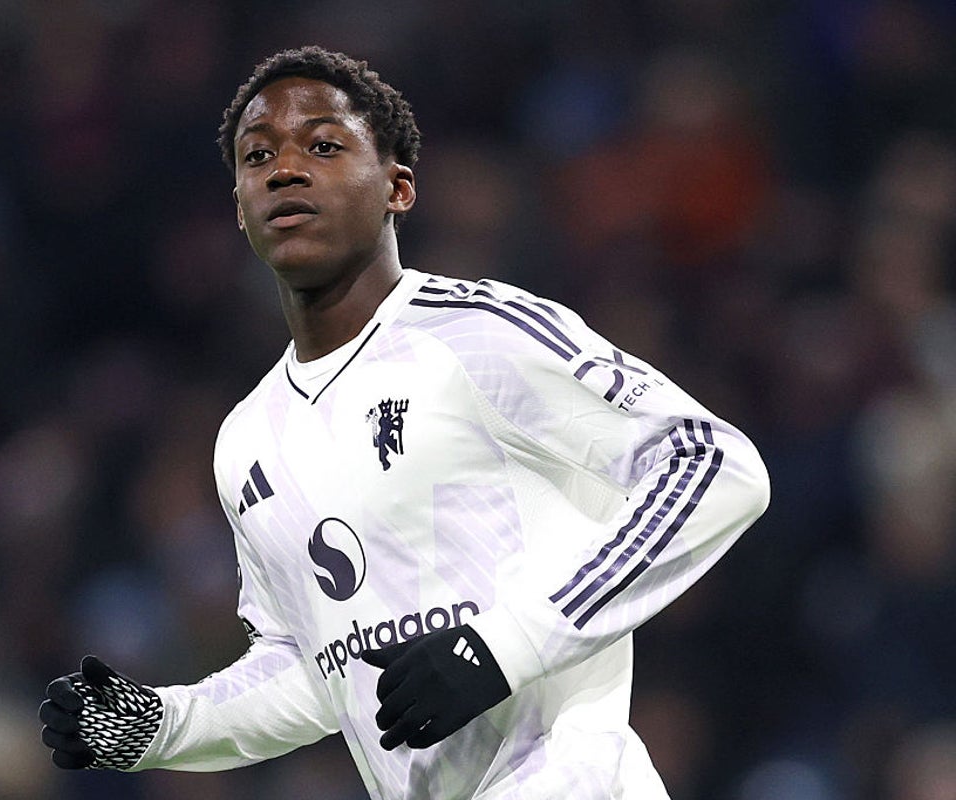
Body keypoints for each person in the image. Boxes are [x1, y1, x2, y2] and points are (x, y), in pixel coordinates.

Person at [40, 45, 771, 799]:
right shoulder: (248, 438)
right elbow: (317, 669)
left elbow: (713, 463)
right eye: (258, 156)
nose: (284, 171)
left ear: (398, 187)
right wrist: (163, 726)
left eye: (324, 146)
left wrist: (503, 646)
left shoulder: (479, 334)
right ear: (239, 207)